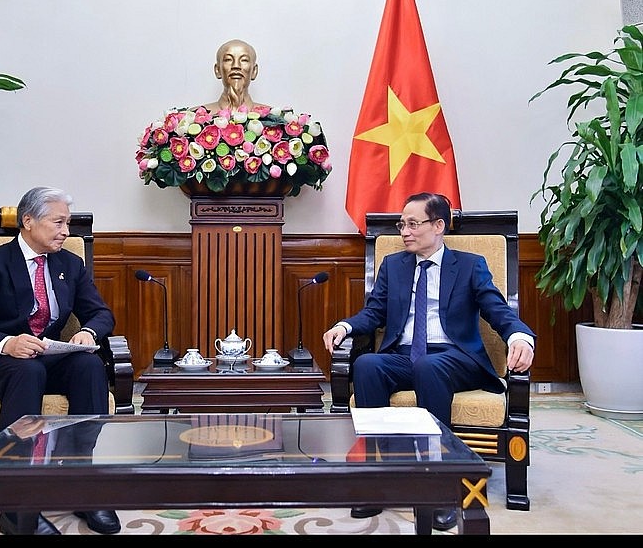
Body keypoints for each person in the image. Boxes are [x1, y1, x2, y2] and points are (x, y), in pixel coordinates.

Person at [322, 192, 535, 531]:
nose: (404, 232)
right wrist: (344, 326)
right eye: (401, 225)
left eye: (412, 224)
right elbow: (374, 312)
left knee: (430, 366)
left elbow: (497, 309)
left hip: (455, 358)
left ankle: (440, 487)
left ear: (438, 226)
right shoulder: (394, 265)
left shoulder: (469, 265)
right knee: (367, 365)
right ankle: (381, 476)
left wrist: (520, 336)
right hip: (405, 355)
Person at [0, 186, 121, 535]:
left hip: (45, 358)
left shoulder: (70, 264)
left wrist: (88, 332)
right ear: (28, 221)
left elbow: (101, 313)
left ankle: (84, 486)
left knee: (89, 365)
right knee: (27, 372)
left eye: (67, 223)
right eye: (58, 223)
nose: (66, 231)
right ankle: (16, 503)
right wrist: (8, 343)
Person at [201, 39, 269, 114]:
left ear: (254, 71)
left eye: (244, 60)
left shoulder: (275, 118)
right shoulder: (194, 116)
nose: (236, 66)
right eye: (228, 59)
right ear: (218, 70)